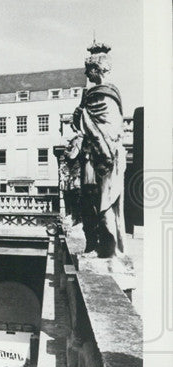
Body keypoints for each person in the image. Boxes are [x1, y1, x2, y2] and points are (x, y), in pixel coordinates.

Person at [67, 44, 126, 258]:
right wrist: (81, 111)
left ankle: (106, 249)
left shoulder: (105, 95)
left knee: (102, 202)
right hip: (91, 157)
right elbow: (82, 122)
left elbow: (107, 127)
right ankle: (94, 245)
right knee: (89, 202)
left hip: (103, 158)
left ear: (97, 69)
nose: (85, 73)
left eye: (88, 69)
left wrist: (82, 113)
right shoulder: (92, 95)